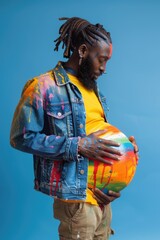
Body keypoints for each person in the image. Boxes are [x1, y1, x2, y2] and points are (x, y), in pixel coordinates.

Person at [10, 17, 139, 240]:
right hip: (76, 201)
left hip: (101, 200)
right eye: (101, 59)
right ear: (82, 50)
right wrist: (77, 145)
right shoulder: (43, 86)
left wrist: (125, 152)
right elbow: (21, 137)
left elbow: (94, 130)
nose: (104, 68)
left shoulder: (93, 90)